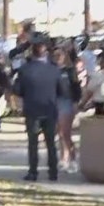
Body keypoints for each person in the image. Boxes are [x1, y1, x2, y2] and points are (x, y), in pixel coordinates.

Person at [14, 40, 67, 182]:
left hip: (32, 109)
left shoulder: (24, 70)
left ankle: (33, 172)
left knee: (33, 143)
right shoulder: (54, 70)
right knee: (50, 142)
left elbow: (18, 90)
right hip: (49, 109)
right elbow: (62, 90)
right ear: (45, 53)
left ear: (32, 53)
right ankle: (53, 172)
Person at [54, 47, 81, 175]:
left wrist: (76, 103)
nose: (58, 57)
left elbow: (76, 88)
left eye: (60, 55)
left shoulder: (70, 71)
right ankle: (63, 158)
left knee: (66, 133)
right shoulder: (52, 70)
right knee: (59, 133)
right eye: (56, 55)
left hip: (67, 102)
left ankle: (73, 158)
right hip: (55, 102)